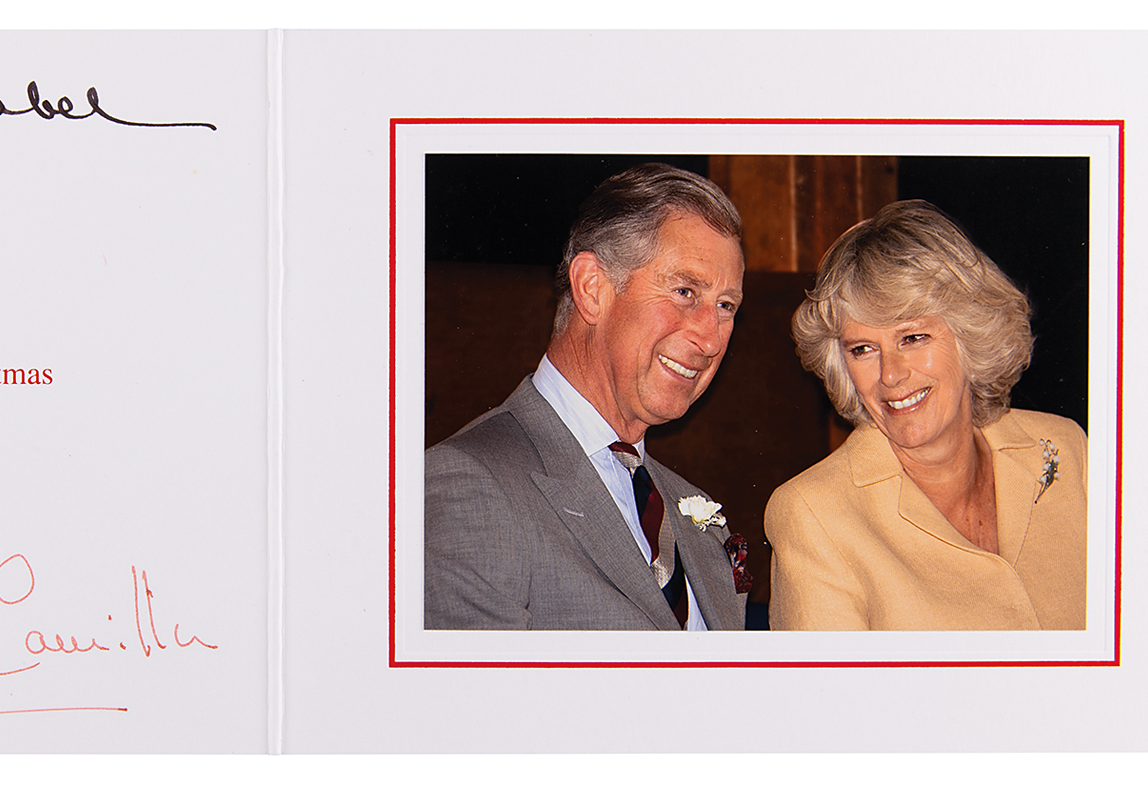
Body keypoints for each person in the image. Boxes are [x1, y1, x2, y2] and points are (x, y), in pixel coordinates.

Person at [425, 163, 751, 631]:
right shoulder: (470, 487)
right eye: (684, 291)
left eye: (725, 306)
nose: (711, 337)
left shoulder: (691, 509)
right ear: (592, 289)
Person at [767, 200, 1087, 630]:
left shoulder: (1066, 448)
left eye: (913, 338)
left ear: (970, 334)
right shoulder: (814, 514)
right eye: (863, 349)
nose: (891, 374)